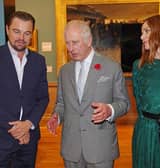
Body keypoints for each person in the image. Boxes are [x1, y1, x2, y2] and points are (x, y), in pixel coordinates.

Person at [47, 20, 130, 168]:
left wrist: (109, 110)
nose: (70, 48)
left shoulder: (111, 67)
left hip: (100, 149)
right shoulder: (64, 71)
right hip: (71, 149)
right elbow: (61, 103)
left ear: (89, 40)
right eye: (67, 43)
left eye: (75, 42)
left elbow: (124, 103)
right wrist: (57, 116)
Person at [0, 11, 49, 167]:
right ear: (7, 29)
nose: (21, 37)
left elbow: (43, 98)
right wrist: (16, 129)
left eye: (27, 33)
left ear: (32, 34)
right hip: (1, 138)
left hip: (29, 140)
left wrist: (28, 124)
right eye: (16, 31)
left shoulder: (39, 61)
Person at [132, 14, 160, 168]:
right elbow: (139, 101)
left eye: (146, 31)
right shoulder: (138, 66)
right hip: (147, 132)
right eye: (142, 32)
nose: (141, 37)